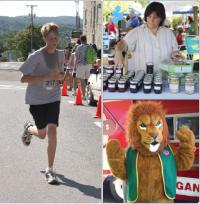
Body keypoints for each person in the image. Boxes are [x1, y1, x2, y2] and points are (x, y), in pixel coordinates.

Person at [19, 22, 65, 184]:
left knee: (52, 132)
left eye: (56, 38)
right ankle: (29, 129)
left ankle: (50, 170)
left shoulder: (60, 55)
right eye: (51, 39)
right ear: (45, 39)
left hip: (53, 97)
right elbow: (23, 78)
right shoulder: (36, 56)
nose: (54, 42)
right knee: (42, 134)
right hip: (37, 100)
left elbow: (60, 73)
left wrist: (60, 76)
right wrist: (46, 77)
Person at [114, 2, 182, 71]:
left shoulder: (169, 33)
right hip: (142, 78)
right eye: (149, 17)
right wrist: (118, 51)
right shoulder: (137, 32)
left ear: (161, 18)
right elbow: (123, 43)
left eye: (155, 17)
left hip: (165, 78)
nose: (151, 20)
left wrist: (176, 55)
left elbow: (175, 51)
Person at [74, 35, 92, 100]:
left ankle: (84, 95)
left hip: (81, 65)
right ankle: (89, 95)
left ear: (81, 40)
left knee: (82, 80)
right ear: (86, 39)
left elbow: (76, 58)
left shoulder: (78, 47)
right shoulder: (90, 47)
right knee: (88, 80)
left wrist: (75, 67)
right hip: (89, 65)